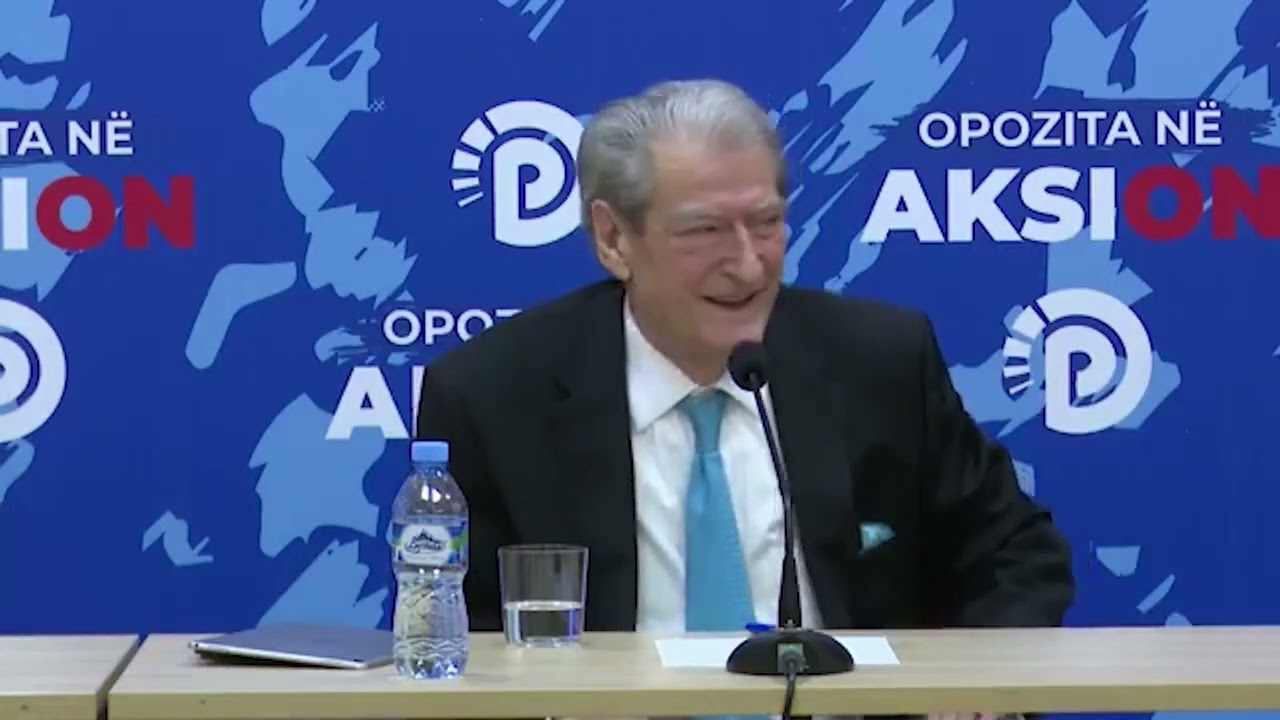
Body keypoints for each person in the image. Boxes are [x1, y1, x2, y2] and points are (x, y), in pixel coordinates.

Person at [416, 79, 1074, 716]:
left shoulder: (879, 361)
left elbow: (1015, 552)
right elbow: (453, 631)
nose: (749, 264)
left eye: (766, 223)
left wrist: (980, 689)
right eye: (704, 231)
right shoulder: (494, 396)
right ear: (613, 238)